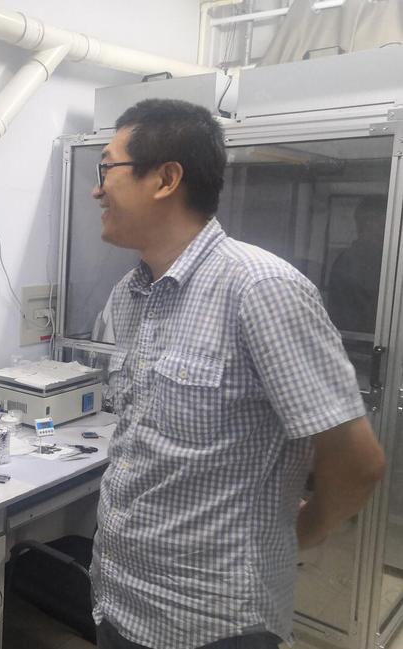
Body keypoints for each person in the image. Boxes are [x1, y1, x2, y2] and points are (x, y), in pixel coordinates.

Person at [89, 99, 385, 649]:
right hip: (119, 601)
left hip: (216, 621)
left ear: (166, 179)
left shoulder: (261, 289)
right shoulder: (131, 295)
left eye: (107, 168)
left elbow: (358, 462)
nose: (96, 189)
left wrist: (301, 532)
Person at [328, 195, 387, 334]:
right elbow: (370, 312)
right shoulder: (361, 259)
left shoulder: (348, 258)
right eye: (384, 222)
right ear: (369, 223)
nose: (387, 229)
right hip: (360, 340)